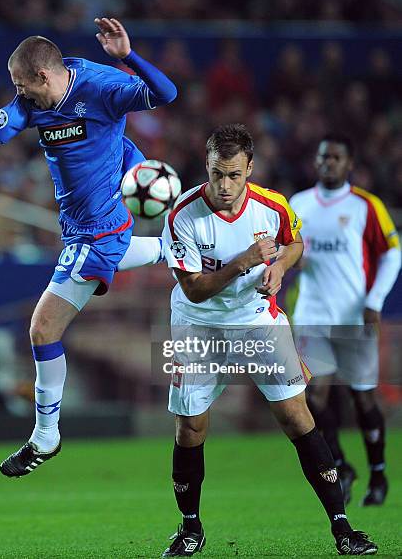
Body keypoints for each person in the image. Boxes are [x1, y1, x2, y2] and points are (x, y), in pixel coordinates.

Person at [0, 17, 176, 477]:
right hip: (79, 227)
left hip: (100, 226)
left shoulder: (103, 86)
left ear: (44, 76)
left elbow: (166, 95)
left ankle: (46, 436)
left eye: (22, 85)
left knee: (43, 329)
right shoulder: (33, 101)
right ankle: (171, 250)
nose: (18, 93)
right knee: (65, 308)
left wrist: (127, 57)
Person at [160, 124, 377, 556]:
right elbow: (195, 289)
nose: (225, 185)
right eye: (217, 173)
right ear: (206, 166)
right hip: (198, 327)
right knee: (191, 427)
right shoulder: (181, 215)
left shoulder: (271, 206)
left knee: (298, 417)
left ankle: (343, 528)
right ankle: (190, 529)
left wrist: (279, 268)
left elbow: (295, 242)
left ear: (250, 169)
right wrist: (242, 263)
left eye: (234, 175)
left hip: (258, 322)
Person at [290, 134, 401, 506]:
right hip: (312, 316)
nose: (328, 163)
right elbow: (288, 249)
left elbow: (393, 254)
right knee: (312, 397)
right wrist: (293, 259)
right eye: (323, 157)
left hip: (354, 317)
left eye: (336, 157)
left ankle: (379, 473)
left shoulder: (365, 206)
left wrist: (374, 301)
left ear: (349, 163)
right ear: (316, 161)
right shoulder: (298, 203)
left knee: (363, 397)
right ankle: (340, 463)